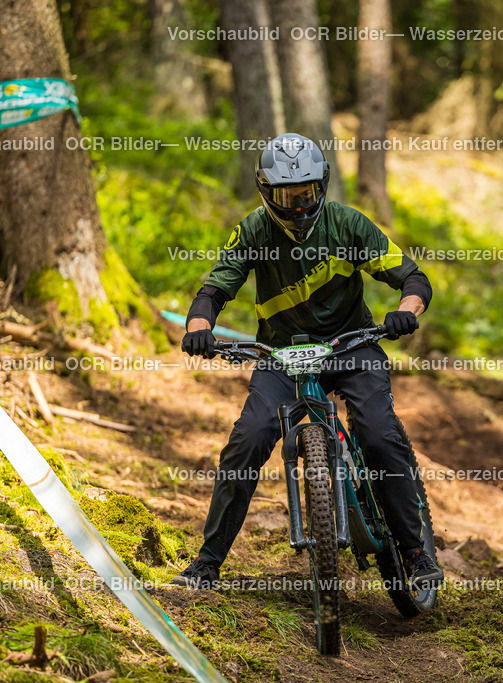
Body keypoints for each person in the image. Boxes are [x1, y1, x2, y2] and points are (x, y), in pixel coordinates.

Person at [171, 133, 443, 591]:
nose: (299, 207)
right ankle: (207, 562)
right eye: (287, 196)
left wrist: (405, 311)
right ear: (266, 191)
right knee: (249, 438)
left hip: (352, 346)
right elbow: (214, 290)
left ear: (323, 186)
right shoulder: (254, 230)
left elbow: (412, 277)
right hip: (281, 354)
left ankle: (416, 552)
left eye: (308, 193)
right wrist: (199, 327)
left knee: (378, 430)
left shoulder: (348, 224)